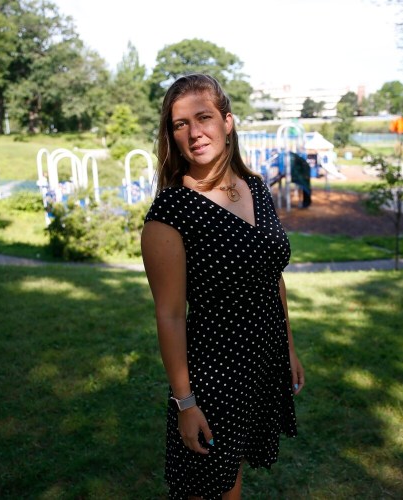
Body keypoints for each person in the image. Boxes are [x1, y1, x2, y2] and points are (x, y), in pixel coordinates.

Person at [141, 73, 305, 499]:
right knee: (205, 488)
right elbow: (171, 314)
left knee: (231, 483)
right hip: (214, 373)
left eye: (204, 117)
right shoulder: (171, 212)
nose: (195, 133)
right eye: (180, 124)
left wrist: (287, 347)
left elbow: (273, 277)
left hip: (261, 362)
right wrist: (185, 402)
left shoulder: (255, 188)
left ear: (227, 121)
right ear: (172, 135)